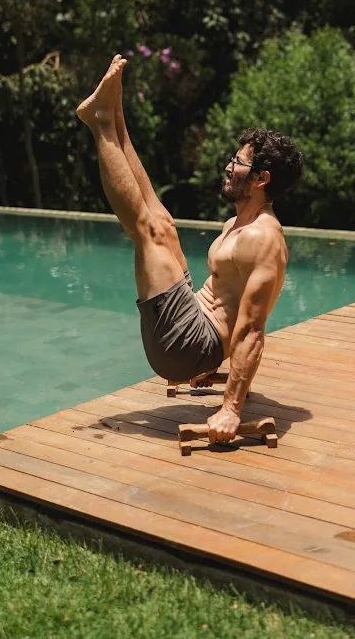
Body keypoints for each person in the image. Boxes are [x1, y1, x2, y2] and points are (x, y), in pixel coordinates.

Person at [77, 55, 304, 444]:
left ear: (262, 179)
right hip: (195, 328)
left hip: (188, 347)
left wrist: (231, 408)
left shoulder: (264, 239)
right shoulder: (237, 224)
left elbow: (251, 329)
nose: (229, 167)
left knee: (147, 230)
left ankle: (101, 125)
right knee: (163, 224)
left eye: (239, 164)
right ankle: (113, 117)